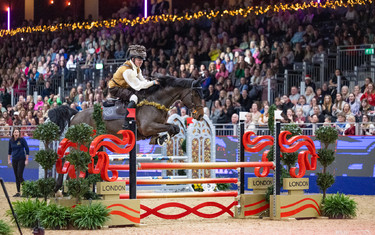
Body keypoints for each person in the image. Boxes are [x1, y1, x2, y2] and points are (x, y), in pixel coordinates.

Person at [107, 45, 159, 129]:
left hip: (125, 85)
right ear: (133, 59)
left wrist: (153, 83)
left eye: (142, 60)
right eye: (139, 60)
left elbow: (143, 81)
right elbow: (138, 86)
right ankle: (127, 121)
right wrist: (153, 82)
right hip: (115, 88)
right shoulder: (127, 70)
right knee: (134, 98)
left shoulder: (137, 68)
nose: (141, 62)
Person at [8, 128, 29, 197]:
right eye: (15, 132)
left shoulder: (22, 140)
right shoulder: (11, 141)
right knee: (16, 176)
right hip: (14, 159)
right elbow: (9, 151)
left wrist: (26, 159)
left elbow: (27, 149)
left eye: (17, 132)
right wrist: (9, 160)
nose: (16, 133)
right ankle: (18, 192)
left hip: (21, 159)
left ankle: (26, 190)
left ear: (19, 133)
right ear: (13, 133)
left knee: (20, 175)